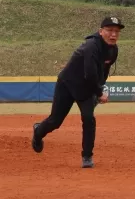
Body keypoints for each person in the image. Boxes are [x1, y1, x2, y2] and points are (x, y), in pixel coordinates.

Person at [31, 17, 123, 168]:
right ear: (101, 31)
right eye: (110, 30)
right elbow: (90, 74)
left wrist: (99, 88)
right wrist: (99, 93)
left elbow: (103, 71)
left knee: (88, 119)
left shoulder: (113, 50)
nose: (113, 34)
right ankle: (38, 132)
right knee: (55, 121)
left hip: (86, 88)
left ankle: (87, 156)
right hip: (68, 84)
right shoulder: (91, 46)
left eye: (116, 31)